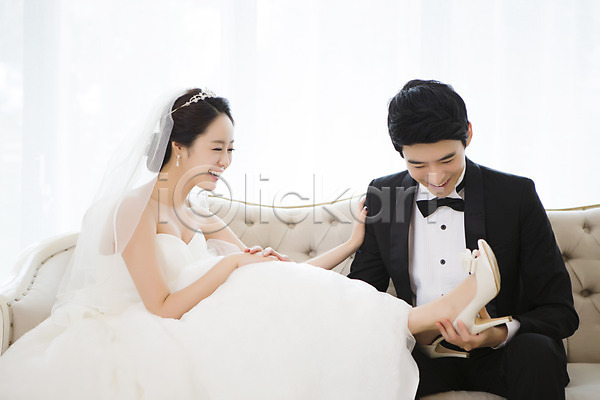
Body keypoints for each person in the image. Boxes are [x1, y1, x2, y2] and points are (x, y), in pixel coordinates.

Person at [2, 88, 502, 400]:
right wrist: (230, 267)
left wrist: (352, 242)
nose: (226, 161)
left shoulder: (198, 209)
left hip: (197, 314)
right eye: (217, 149)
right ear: (179, 147)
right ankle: (435, 312)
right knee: (254, 298)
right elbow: (161, 306)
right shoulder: (133, 208)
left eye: (230, 149)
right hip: (143, 328)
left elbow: (274, 271)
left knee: (273, 292)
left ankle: (430, 313)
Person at [348, 79, 579, 399]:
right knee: (365, 361)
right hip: (421, 358)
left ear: (468, 134)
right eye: (417, 164)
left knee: (538, 352)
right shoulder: (384, 195)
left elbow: (559, 310)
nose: (436, 177)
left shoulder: (516, 195)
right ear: (400, 152)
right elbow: (362, 297)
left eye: (447, 160)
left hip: (502, 354)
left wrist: (495, 334)